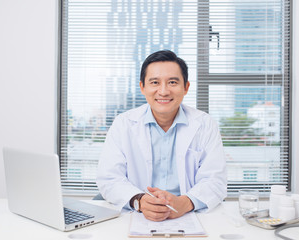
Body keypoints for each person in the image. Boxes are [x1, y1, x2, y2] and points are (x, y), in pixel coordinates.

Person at [96, 50, 227, 222]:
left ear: (186, 87)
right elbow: (109, 178)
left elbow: (215, 180)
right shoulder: (123, 124)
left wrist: (185, 203)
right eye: (155, 82)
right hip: (137, 216)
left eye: (172, 82)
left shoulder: (205, 124)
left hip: (189, 215)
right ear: (143, 87)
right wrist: (140, 201)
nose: (163, 91)